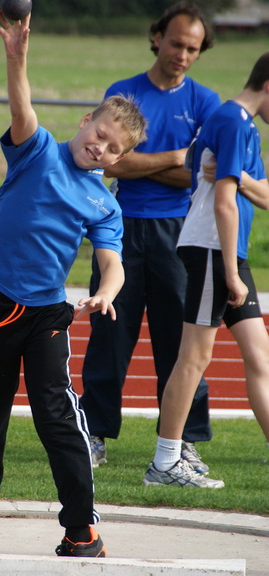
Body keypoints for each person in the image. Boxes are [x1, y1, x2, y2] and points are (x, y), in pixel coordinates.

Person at [0, 10, 147, 556]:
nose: (101, 148)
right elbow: (22, 105)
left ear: (118, 161)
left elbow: (113, 263)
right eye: (100, 134)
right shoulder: (35, 150)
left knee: (59, 415)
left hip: (46, 315)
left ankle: (81, 530)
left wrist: (106, 292)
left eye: (114, 150)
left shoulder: (103, 203)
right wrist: (16, 54)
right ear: (87, 120)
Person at [81, 2, 221, 472]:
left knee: (180, 343)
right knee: (109, 333)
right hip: (119, 226)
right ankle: (94, 434)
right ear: (157, 37)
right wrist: (175, 157)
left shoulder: (207, 103)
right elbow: (110, 161)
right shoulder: (123, 94)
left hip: (181, 236)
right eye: (176, 43)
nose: (183, 54)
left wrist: (150, 162)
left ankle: (183, 441)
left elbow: (200, 176)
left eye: (193, 48)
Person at [143, 51, 269, 488]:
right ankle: (164, 464)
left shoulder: (241, 125)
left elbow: (262, 193)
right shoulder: (231, 121)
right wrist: (231, 272)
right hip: (215, 249)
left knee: (260, 354)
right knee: (194, 357)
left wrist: (235, 178)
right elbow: (221, 200)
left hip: (228, 253)